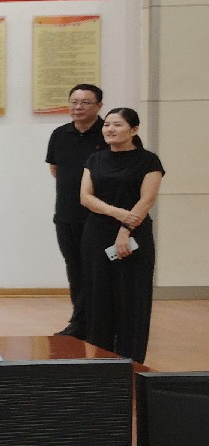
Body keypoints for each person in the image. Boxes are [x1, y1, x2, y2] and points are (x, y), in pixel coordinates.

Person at [79, 106, 164, 363]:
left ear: (134, 129)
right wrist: (117, 213)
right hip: (97, 234)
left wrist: (125, 230)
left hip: (134, 234)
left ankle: (131, 363)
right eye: (107, 125)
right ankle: (100, 363)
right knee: (98, 299)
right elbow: (86, 197)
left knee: (132, 300)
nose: (110, 129)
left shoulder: (149, 161)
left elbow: (146, 199)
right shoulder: (95, 159)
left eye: (117, 125)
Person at [45, 84, 106, 337]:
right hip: (66, 214)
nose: (78, 107)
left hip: (99, 217)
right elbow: (56, 170)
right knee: (75, 269)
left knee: (98, 270)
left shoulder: (108, 133)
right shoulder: (60, 134)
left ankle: (100, 323)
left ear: (99, 106)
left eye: (85, 102)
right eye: (74, 102)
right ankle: (80, 321)